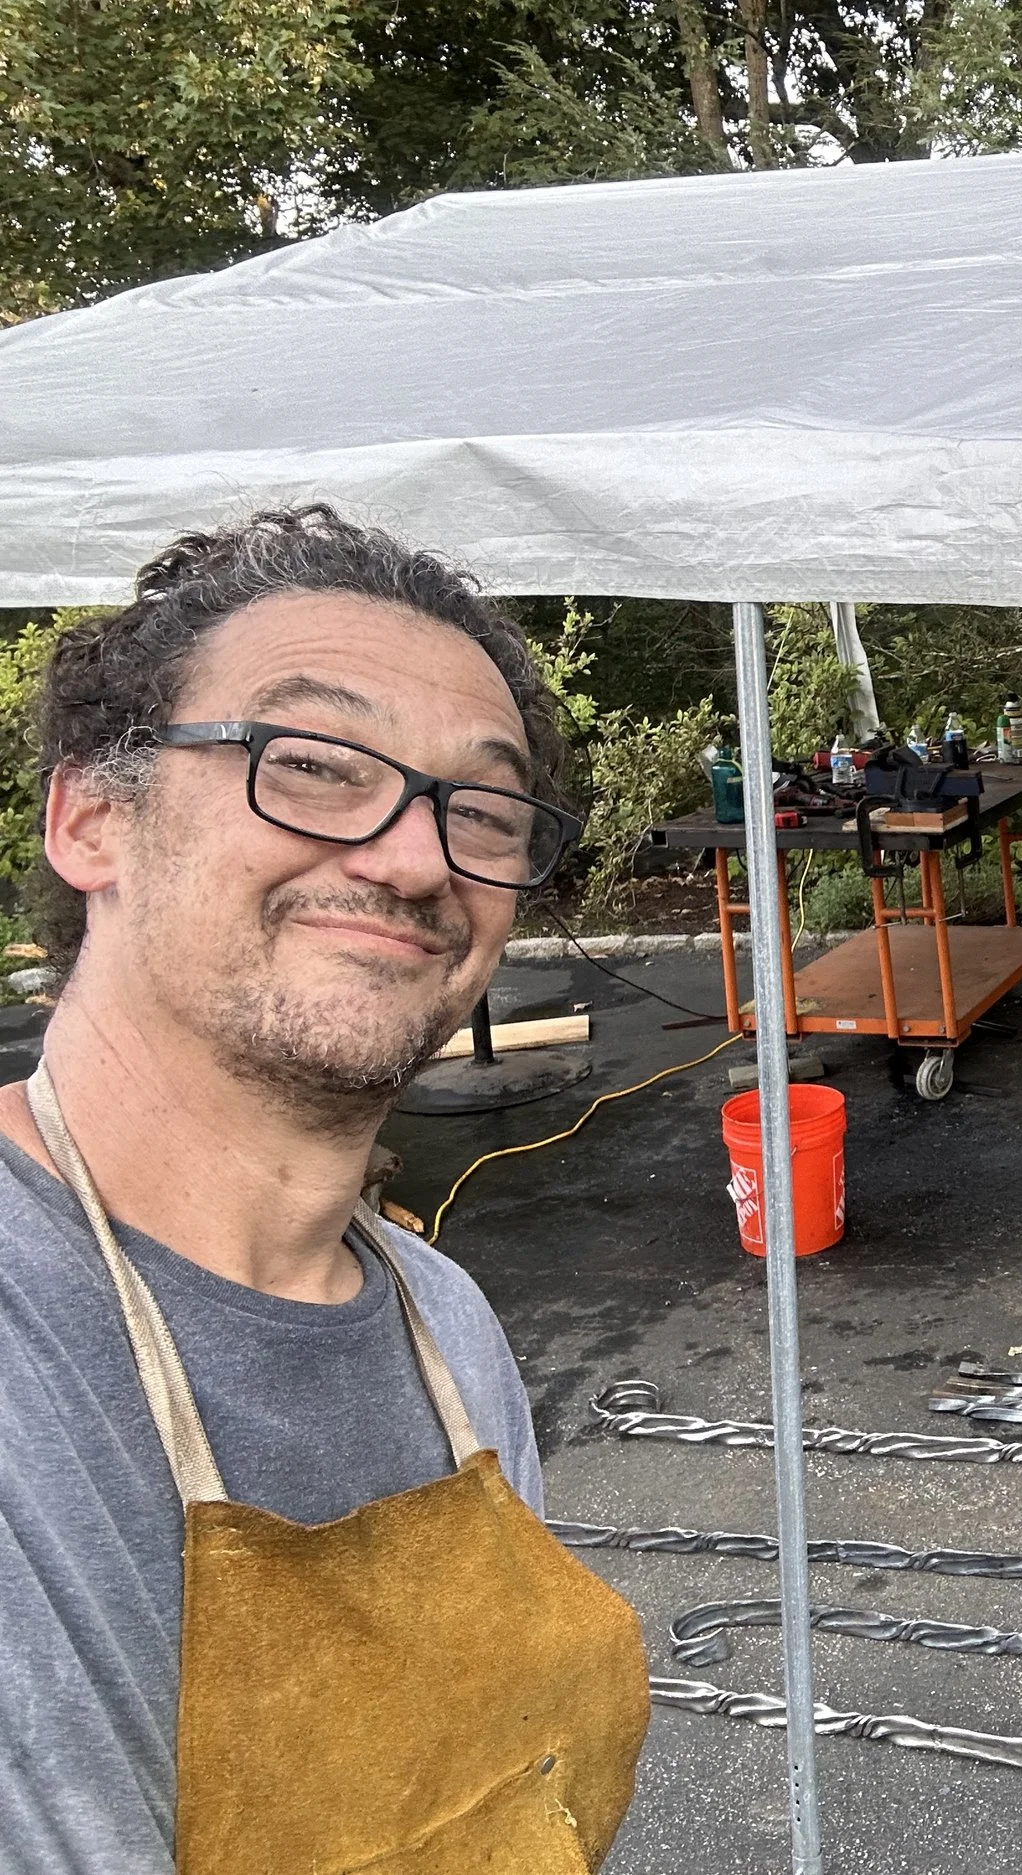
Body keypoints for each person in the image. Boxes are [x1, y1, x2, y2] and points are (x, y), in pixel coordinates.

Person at [0, 508, 650, 1872]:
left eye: (479, 807)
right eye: (313, 765)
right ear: (91, 816)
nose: (415, 860)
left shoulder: (449, 1328)